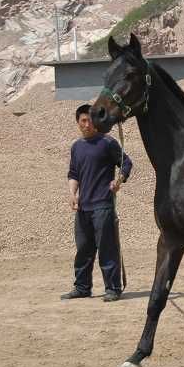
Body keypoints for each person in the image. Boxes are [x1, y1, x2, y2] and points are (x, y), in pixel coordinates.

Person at [61, 103, 133, 302]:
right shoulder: (76, 147)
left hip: (103, 204)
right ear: (77, 123)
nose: (87, 124)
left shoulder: (107, 142)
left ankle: (113, 288)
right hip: (83, 206)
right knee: (83, 249)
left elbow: (126, 163)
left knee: (107, 247)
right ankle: (82, 287)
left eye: (90, 120)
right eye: (83, 120)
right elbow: (73, 173)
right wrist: (72, 194)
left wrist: (119, 180)